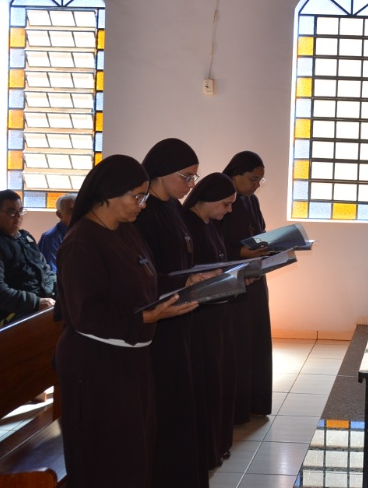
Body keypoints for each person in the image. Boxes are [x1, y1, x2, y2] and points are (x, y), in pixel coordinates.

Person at [55, 154, 199, 488]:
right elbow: (86, 314)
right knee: (108, 456)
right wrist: (151, 316)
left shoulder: (125, 231)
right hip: (96, 367)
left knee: (135, 450)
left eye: (145, 196)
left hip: (129, 359)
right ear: (107, 194)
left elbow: (144, 282)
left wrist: (186, 284)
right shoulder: (81, 242)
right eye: (137, 196)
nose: (143, 205)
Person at [133, 138, 210, 488]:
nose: (190, 186)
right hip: (159, 320)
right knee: (167, 403)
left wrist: (201, 276)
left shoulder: (173, 208)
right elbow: (143, 274)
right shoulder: (143, 213)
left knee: (184, 399)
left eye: (195, 178)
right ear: (162, 173)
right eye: (187, 177)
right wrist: (182, 280)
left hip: (180, 313)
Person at [180, 173, 239, 470]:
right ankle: (207, 447)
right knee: (207, 380)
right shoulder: (186, 224)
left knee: (220, 378)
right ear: (209, 198)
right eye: (226, 204)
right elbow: (187, 275)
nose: (228, 211)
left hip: (219, 311)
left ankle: (218, 443)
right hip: (200, 317)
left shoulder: (210, 224)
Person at [218, 151, 273, 422]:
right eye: (253, 179)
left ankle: (255, 402)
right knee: (239, 342)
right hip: (233, 279)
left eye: (260, 181)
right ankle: (237, 408)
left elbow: (258, 232)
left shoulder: (251, 200)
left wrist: (269, 246)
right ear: (236, 174)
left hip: (255, 278)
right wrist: (242, 253)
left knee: (256, 339)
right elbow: (216, 243)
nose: (255, 185)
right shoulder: (222, 198)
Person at [0, 190, 57, 326]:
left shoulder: (26, 238)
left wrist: (63, 291)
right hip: (15, 312)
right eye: (11, 212)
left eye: (21, 211)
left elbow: (46, 272)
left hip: (44, 303)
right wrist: (36, 302)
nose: (18, 217)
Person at [38, 193, 76, 273]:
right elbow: (52, 272)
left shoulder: (81, 234)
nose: (76, 214)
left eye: (78, 209)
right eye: (71, 210)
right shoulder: (50, 238)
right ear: (59, 214)